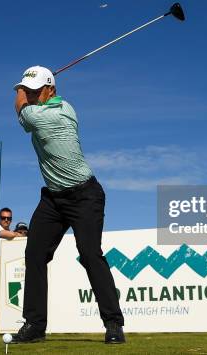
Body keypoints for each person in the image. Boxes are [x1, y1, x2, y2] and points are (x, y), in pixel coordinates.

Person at [11, 66, 125, 344]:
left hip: (85, 195)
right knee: (35, 254)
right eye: (32, 91)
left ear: (51, 89)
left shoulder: (57, 113)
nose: (34, 95)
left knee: (89, 254)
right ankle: (35, 325)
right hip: (53, 199)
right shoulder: (46, 106)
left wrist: (21, 91)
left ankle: (113, 324)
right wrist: (28, 88)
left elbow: (21, 109)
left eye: (38, 90)